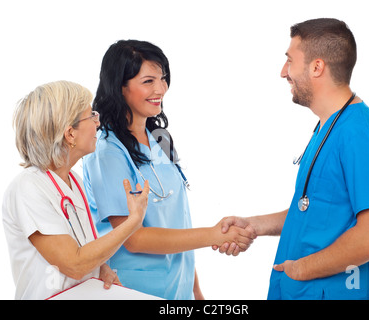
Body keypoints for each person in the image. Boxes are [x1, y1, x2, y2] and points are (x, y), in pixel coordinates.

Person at [216, 18, 369, 300]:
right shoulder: (329, 126)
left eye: (290, 61)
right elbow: (318, 211)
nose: (283, 72)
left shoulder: (361, 134)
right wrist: (256, 225)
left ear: (316, 67)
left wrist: (301, 269)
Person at [82, 39, 255, 300]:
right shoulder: (106, 151)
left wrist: (195, 290)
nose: (161, 88)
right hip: (135, 289)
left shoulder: (160, 137)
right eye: (148, 81)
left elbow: (178, 218)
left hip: (179, 287)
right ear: (120, 87)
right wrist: (213, 235)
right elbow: (132, 238)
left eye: (163, 78)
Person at [2, 81, 150, 300]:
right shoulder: (27, 188)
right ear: (70, 134)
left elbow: (82, 251)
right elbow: (74, 264)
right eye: (91, 116)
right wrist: (133, 222)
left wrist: (100, 269)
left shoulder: (74, 180)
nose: (98, 124)